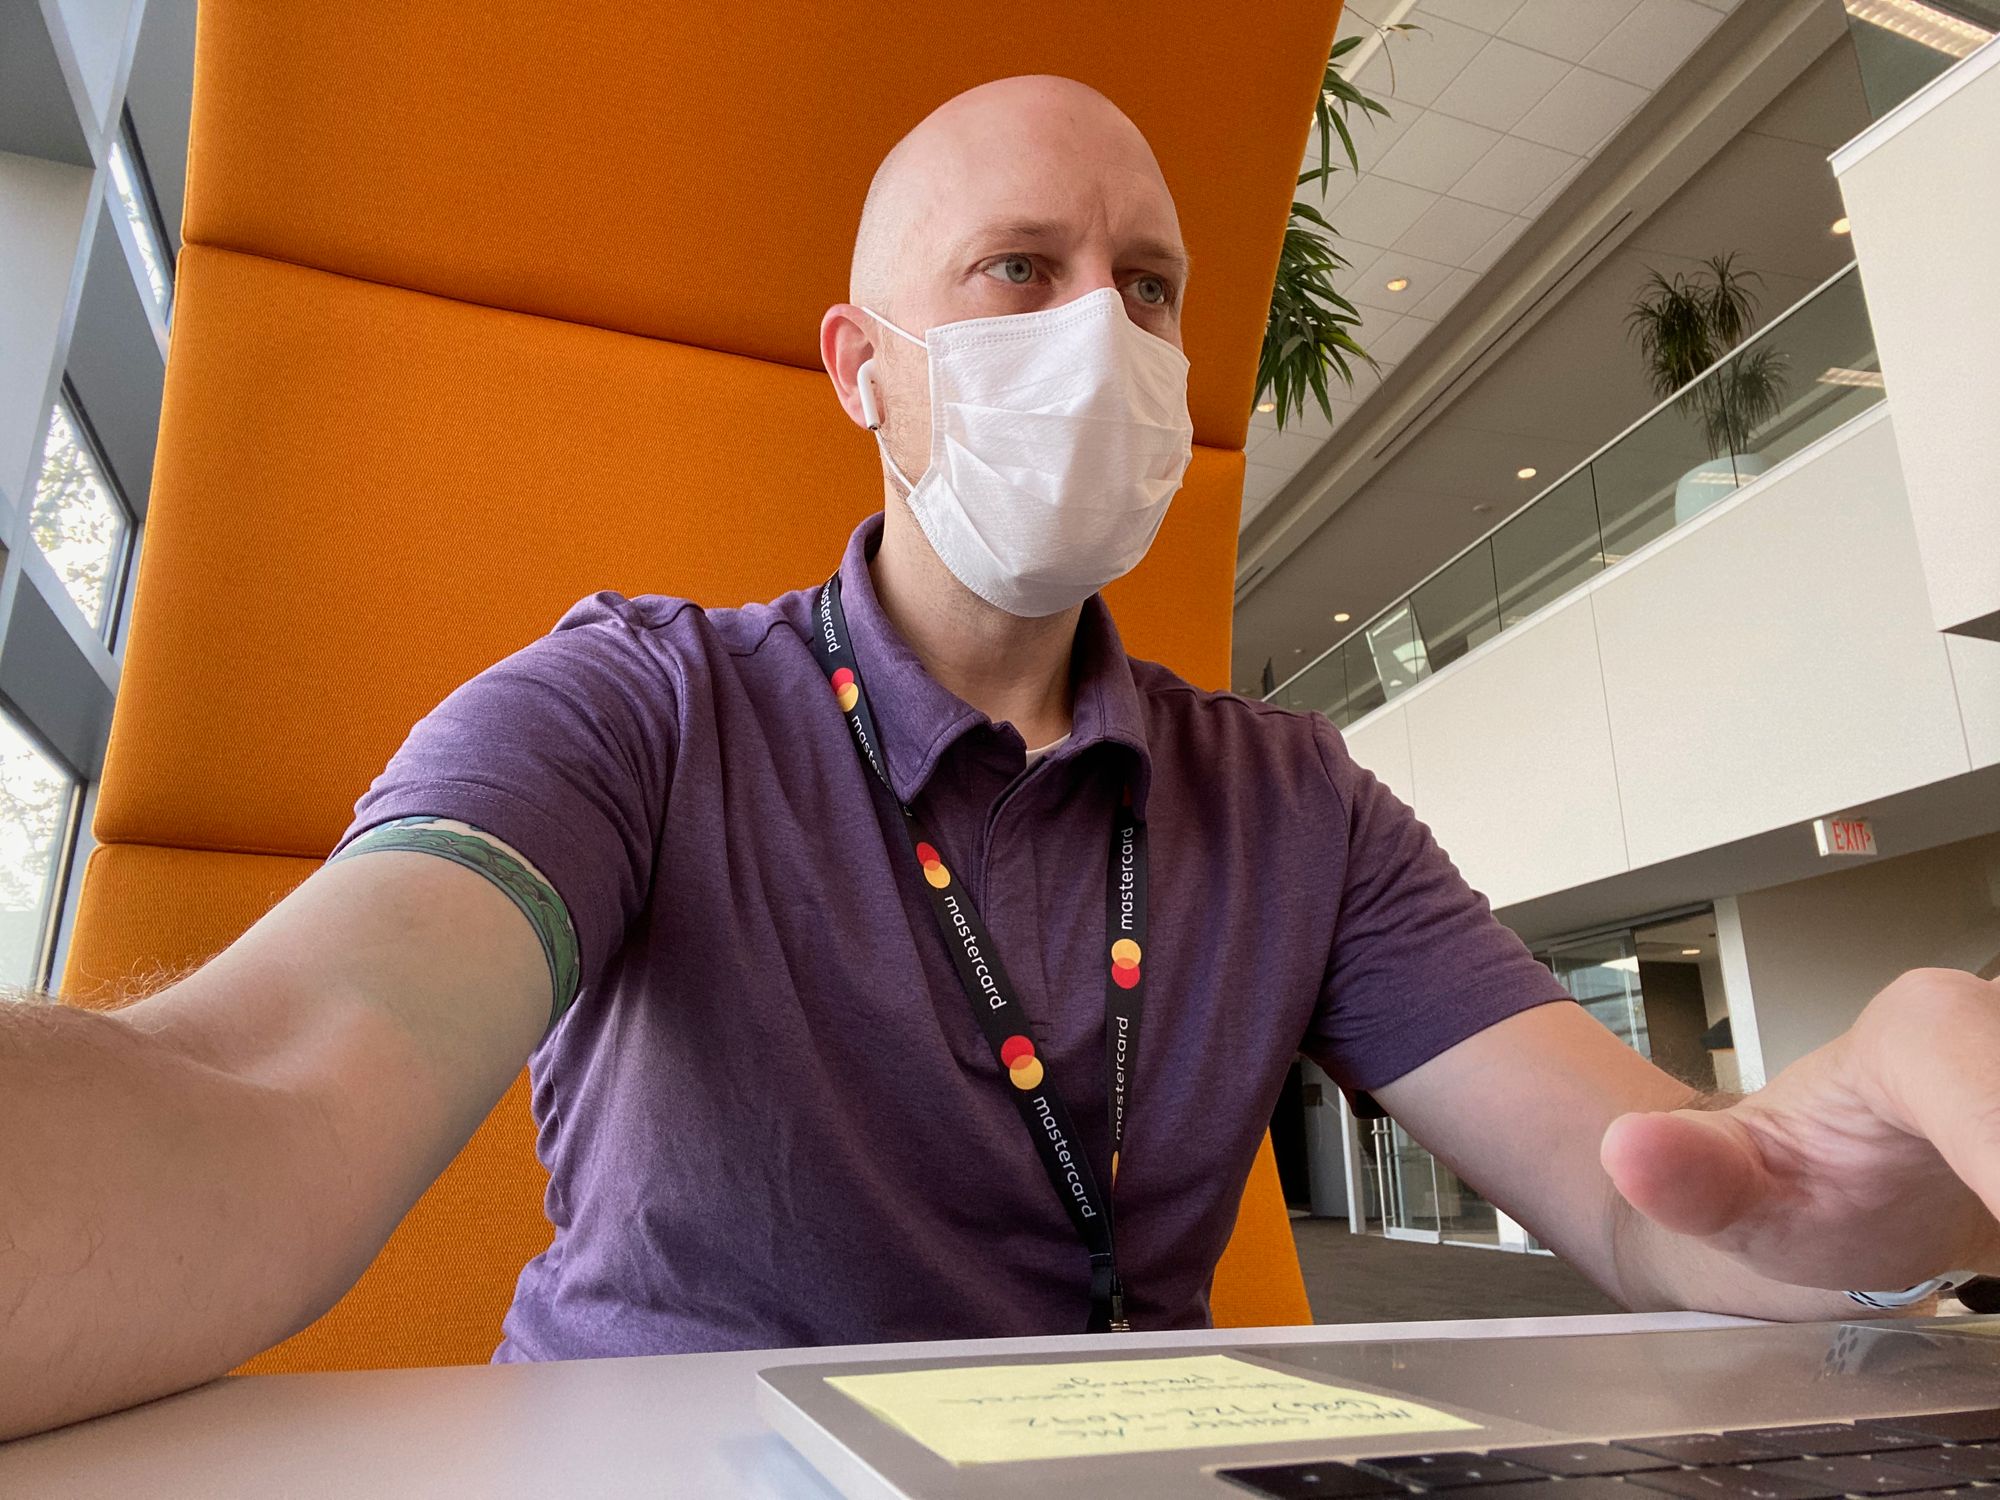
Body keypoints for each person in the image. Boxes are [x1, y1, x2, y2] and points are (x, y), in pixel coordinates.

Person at [2, 74, 1995, 1444]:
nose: (1100, 335)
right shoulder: (636, 707)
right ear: (863, 369)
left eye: (1147, 288)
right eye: (1016, 272)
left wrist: (1845, 1184)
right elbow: (262, 1088)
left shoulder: (1290, 803)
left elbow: (1661, 1201)